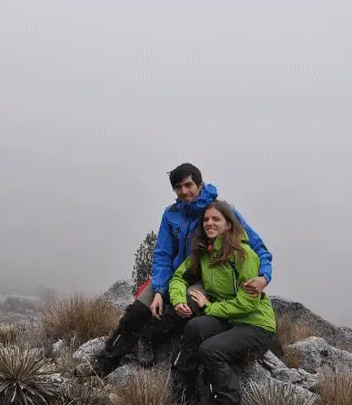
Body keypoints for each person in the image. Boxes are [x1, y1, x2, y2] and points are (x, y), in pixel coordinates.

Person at [75, 163, 273, 376]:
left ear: (199, 184)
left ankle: (149, 338)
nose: (184, 192)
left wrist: (264, 276)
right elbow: (162, 254)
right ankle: (105, 362)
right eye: (178, 187)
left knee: (185, 305)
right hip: (176, 275)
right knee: (138, 310)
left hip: (206, 278)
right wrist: (159, 290)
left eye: (188, 185)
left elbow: (256, 245)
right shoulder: (171, 214)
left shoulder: (218, 211)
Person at [169, 200, 278, 405]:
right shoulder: (204, 253)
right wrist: (177, 300)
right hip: (229, 320)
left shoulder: (243, 255)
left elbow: (248, 304)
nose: (209, 223)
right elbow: (178, 278)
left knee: (210, 350)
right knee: (194, 328)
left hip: (256, 326)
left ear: (228, 224)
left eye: (216, 219)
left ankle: (227, 399)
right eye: (206, 219)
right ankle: (186, 392)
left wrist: (209, 307)